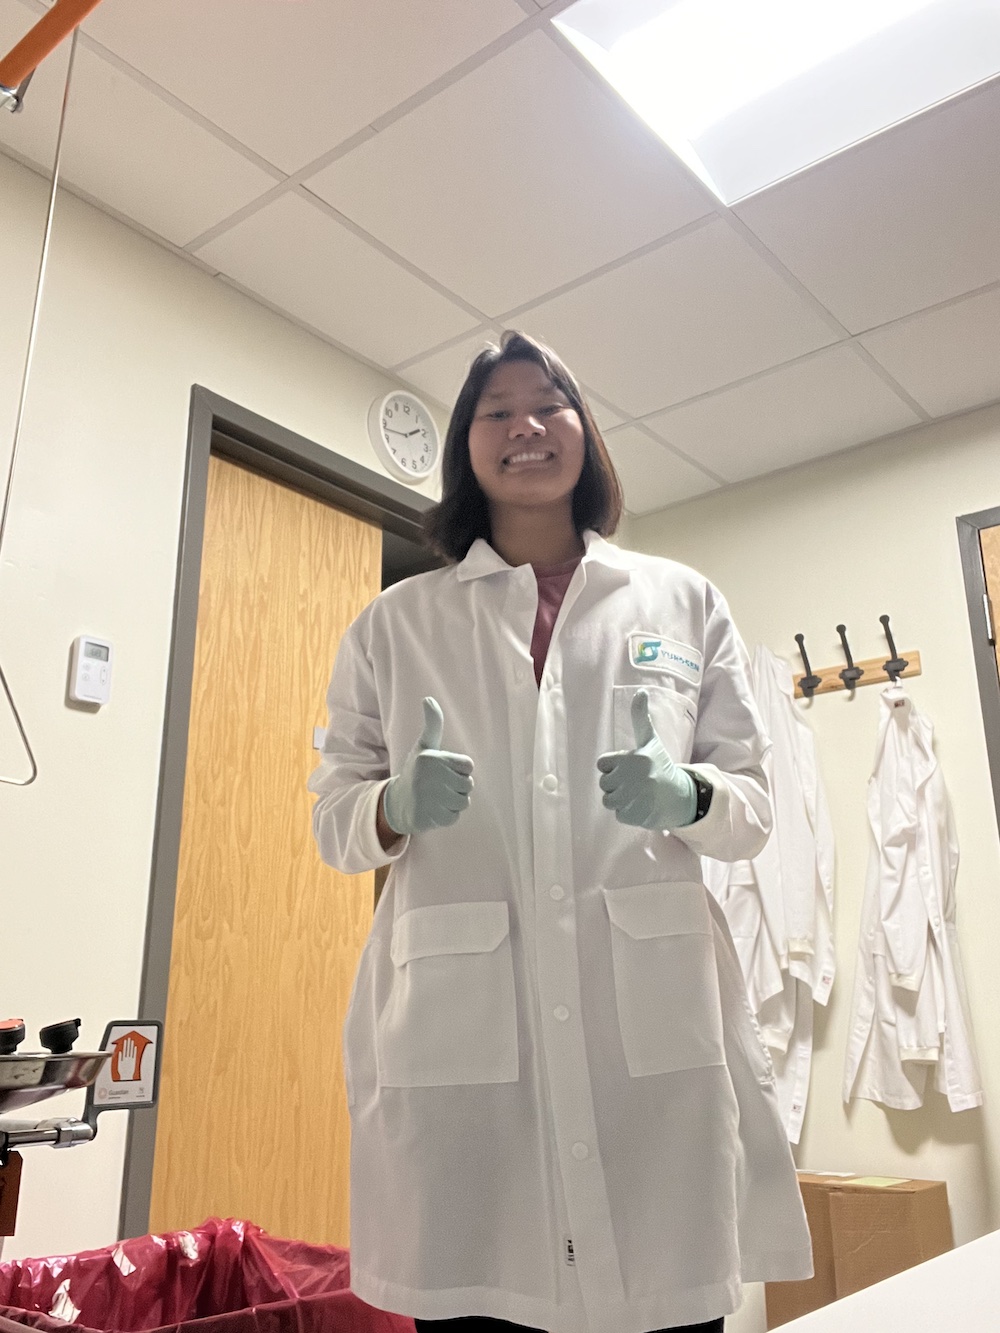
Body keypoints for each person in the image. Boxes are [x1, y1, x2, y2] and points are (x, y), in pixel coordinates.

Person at [309, 332, 812, 1333]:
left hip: (650, 1039)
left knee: (661, 1294)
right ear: (465, 446)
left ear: (586, 436)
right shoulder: (394, 625)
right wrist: (391, 806)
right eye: (496, 409)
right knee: (478, 1284)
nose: (525, 425)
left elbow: (754, 810)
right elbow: (334, 821)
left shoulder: (680, 600)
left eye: (549, 403)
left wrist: (690, 795)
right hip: (463, 1047)